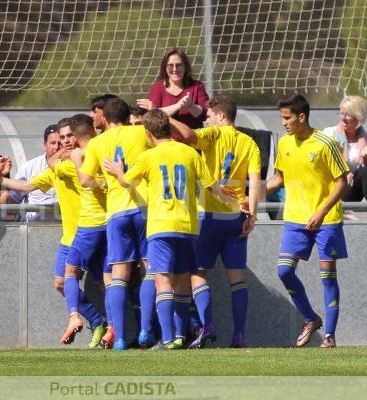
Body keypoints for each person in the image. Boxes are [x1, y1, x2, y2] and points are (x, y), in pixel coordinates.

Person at [104, 109, 230, 349]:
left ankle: (168, 338)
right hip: (187, 226)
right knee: (183, 280)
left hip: (160, 226)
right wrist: (234, 203)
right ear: (170, 130)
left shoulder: (148, 157)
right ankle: (181, 335)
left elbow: (126, 182)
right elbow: (212, 186)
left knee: (162, 280)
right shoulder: (190, 153)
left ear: (149, 133)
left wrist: (119, 171)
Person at [2, 118, 105, 348]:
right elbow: (28, 186)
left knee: (103, 283)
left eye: (69, 137)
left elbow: (52, 162)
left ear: (78, 137)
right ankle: (100, 322)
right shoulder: (62, 166)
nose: (64, 142)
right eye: (60, 139)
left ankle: (120, 325)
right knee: (61, 282)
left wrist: (58, 156)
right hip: (72, 235)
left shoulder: (75, 163)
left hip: (90, 229)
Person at [171, 95, 261, 348]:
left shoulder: (211, 136)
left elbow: (189, 136)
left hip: (208, 215)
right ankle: (239, 336)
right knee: (238, 279)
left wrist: (166, 116)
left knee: (198, 274)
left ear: (221, 116)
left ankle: (206, 325)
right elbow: (254, 182)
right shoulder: (250, 143)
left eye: (209, 116)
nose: (206, 121)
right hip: (236, 218)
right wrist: (252, 215)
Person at [267, 94, 349, 349]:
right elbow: (278, 179)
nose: (284, 123)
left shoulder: (326, 143)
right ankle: (311, 319)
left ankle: (330, 336)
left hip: (326, 220)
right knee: (284, 271)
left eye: (287, 118)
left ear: (301, 117)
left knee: (327, 276)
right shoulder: (284, 143)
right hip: (295, 219)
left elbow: (342, 181)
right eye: (282, 118)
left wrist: (322, 212)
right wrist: (252, 197)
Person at [76, 98, 151, 351]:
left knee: (118, 276)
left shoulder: (98, 142)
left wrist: (103, 183)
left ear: (105, 120)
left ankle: (118, 338)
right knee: (148, 270)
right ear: (129, 117)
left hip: (116, 213)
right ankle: (146, 332)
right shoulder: (140, 131)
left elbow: (85, 178)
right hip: (143, 207)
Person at [60, 114, 109, 349]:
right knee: (108, 281)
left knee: (69, 273)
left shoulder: (78, 155)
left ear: (77, 136)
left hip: (89, 223)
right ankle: (114, 328)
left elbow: (83, 178)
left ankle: (74, 316)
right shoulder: (107, 148)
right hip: (110, 222)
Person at [323, 96, 367, 219]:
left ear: (358, 117)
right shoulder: (330, 133)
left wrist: (365, 158)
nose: (343, 118)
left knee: (365, 171)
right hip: (333, 187)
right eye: (341, 113)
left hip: (352, 188)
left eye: (348, 115)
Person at [137, 48, 209, 129]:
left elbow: (205, 114)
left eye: (179, 65)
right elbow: (154, 118)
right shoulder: (157, 88)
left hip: (193, 138)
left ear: (185, 67)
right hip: (166, 140)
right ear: (165, 68)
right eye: (170, 65)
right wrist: (178, 106)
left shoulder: (197, 86)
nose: (174, 69)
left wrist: (190, 105)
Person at [8, 124, 59, 222]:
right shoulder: (28, 168)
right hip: (33, 231)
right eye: (53, 143)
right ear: (45, 144)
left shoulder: (71, 166)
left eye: (59, 143)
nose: (56, 147)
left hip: (62, 228)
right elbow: (13, 201)